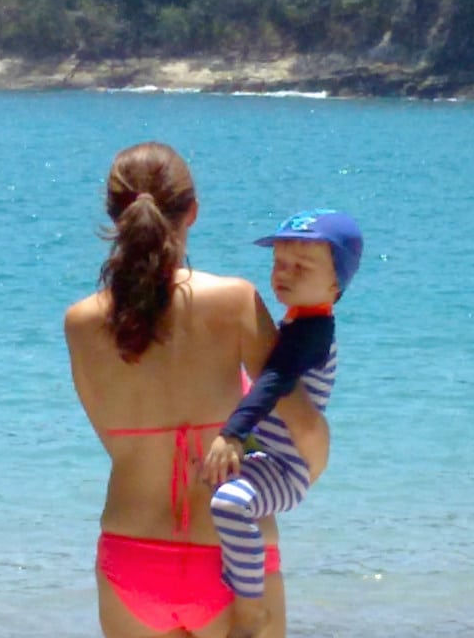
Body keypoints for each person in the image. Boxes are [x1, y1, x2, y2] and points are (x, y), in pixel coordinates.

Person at [65, 142, 330, 638]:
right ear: (192, 213)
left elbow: (115, 442)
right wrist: (293, 481)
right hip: (233, 559)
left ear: (115, 216)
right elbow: (305, 428)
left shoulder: (80, 323)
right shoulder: (234, 302)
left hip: (132, 554)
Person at [201, 209, 362, 638]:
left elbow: (273, 381)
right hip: (265, 457)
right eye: (278, 264)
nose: (283, 274)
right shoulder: (294, 322)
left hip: (286, 471)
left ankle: (249, 606)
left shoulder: (313, 332)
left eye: (300, 267)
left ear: (335, 284)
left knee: (229, 504)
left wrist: (232, 434)